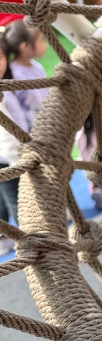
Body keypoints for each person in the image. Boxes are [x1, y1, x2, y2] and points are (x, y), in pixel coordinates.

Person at [0, 41, 30, 245]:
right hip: (8, 160)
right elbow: (5, 136)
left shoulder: (6, 87)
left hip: (16, 153)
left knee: (20, 200)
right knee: (18, 203)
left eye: (1, 57)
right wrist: (20, 160)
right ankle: (25, 239)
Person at [1, 20, 48, 128]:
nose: (45, 46)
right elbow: (16, 111)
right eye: (41, 41)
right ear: (25, 46)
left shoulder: (37, 67)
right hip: (31, 129)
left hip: (47, 122)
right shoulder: (14, 74)